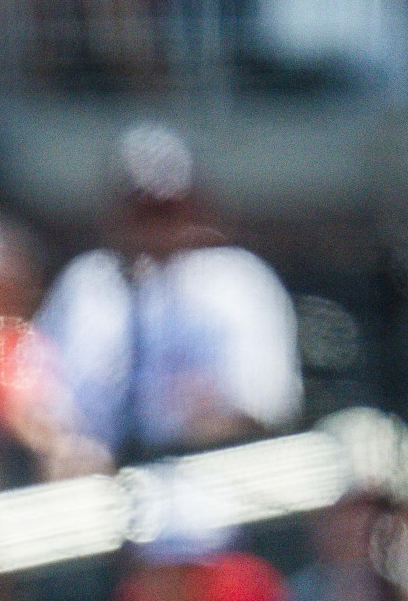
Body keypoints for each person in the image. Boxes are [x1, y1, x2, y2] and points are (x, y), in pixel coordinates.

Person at [34, 123, 302, 462]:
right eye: (139, 209)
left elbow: (265, 407)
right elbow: (43, 396)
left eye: (166, 209)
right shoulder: (86, 281)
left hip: (208, 468)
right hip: (98, 472)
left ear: (195, 205)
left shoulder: (239, 280)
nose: (154, 226)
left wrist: (193, 419)